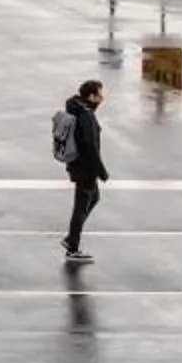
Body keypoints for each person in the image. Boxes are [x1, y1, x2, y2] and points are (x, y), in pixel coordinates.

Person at [58, 78, 108, 264]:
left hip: (79, 165)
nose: (102, 99)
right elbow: (90, 146)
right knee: (81, 206)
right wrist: (102, 171)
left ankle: (71, 238)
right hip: (85, 168)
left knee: (93, 198)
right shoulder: (85, 116)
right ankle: (72, 247)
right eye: (99, 95)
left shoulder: (77, 108)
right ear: (91, 96)